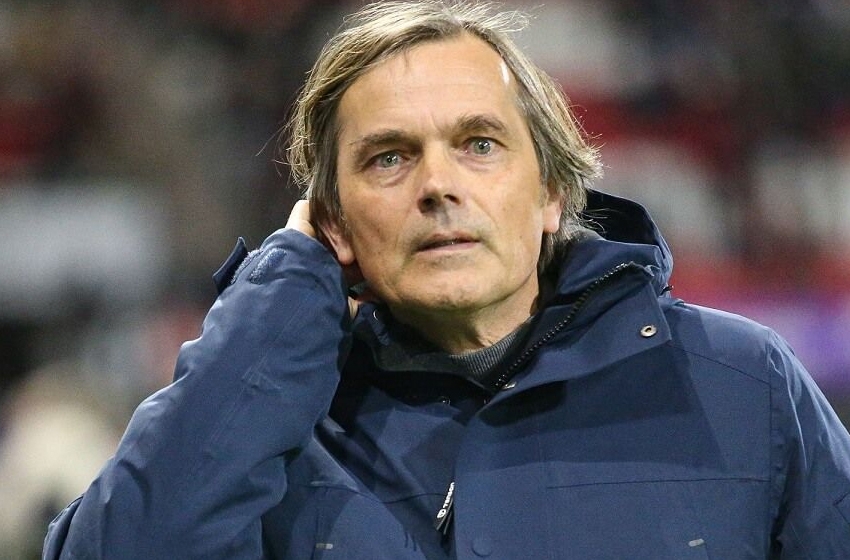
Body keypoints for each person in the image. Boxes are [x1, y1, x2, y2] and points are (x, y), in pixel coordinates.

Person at [43, 1, 850, 559]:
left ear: (551, 193)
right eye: (388, 158)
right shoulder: (259, 416)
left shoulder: (745, 383)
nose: (437, 186)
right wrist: (284, 287)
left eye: (479, 145)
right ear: (332, 222)